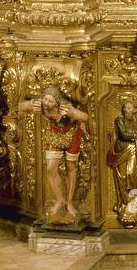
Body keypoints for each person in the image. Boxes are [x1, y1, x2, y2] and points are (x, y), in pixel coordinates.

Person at [19, 86, 89, 222]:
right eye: (45, 99)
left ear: (57, 102)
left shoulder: (65, 107)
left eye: (50, 101)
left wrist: (73, 114)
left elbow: (85, 117)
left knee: (70, 166)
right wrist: (29, 105)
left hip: (72, 133)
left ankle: (69, 203)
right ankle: (59, 200)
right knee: (51, 167)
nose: (46, 103)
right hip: (55, 133)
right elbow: (19, 107)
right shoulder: (40, 104)